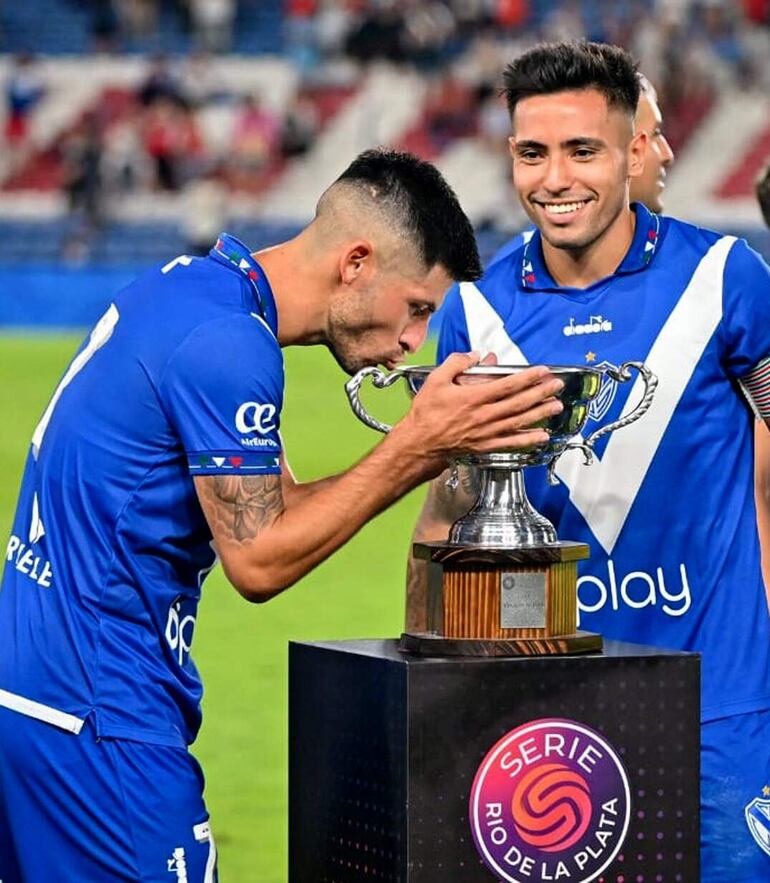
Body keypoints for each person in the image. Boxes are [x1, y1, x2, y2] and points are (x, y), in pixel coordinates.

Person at [0, 148, 563, 883]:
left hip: (34, 695)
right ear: (356, 261)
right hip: (101, 718)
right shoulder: (230, 345)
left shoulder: (192, 292)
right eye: (417, 308)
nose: (412, 342)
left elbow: (275, 504)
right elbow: (259, 559)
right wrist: (420, 446)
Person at [408, 42, 770, 881]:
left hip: (722, 707)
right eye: (533, 153)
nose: (554, 178)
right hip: (550, 716)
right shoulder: (476, 311)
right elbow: (450, 506)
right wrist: (426, 693)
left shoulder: (726, 280)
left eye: (583, 150)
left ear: (633, 151)